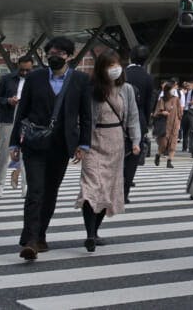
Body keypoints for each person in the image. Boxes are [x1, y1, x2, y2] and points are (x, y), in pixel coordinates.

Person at [9, 36, 94, 261]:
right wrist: (14, 143)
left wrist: (83, 144)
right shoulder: (35, 77)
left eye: (60, 53)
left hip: (61, 145)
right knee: (35, 191)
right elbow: (22, 110)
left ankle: (41, 234)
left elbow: (87, 116)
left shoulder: (80, 80)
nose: (54, 57)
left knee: (50, 192)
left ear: (70, 55)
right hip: (34, 143)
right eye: (51, 53)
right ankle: (30, 240)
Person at [76, 51, 139, 252]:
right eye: (109, 65)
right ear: (101, 69)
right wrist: (80, 144)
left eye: (117, 64)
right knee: (91, 187)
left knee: (108, 189)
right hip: (93, 142)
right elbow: (85, 119)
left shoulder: (126, 89)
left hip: (116, 143)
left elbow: (133, 117)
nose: (114, 69)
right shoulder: (92, 90)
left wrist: (136, 140)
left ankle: (95, 231)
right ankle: (89, 234)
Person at [0, 56, 34, 196]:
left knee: (27, 154)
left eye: (28, 70)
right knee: (4, 153)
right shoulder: (7, 79)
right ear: (18, 66)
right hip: (9, 117)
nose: (25, 73)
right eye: (22, 70)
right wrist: (8, 100)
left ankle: (25, 186)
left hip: (28, 120)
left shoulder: (36, 80)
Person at [123, 45, 155, 200]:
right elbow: (149, 104)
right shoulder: (148, 77)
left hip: (119, 119)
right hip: (140, 120)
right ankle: (125, 192)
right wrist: (146, 122)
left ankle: (114, 189)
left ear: (130, 57)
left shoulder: (123, 74)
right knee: (133, 157)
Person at [153, 80, 181, 168]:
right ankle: (158, 154)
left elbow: (180, 112)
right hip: (165, 125)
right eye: (172, 88)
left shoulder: (176, 99)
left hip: (174, 124)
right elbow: (157, 112)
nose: (174, 90)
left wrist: (179, 122)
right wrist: (163, 112)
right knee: (163, 144)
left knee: (173, 144)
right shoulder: (162, 99)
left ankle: (169, 161)